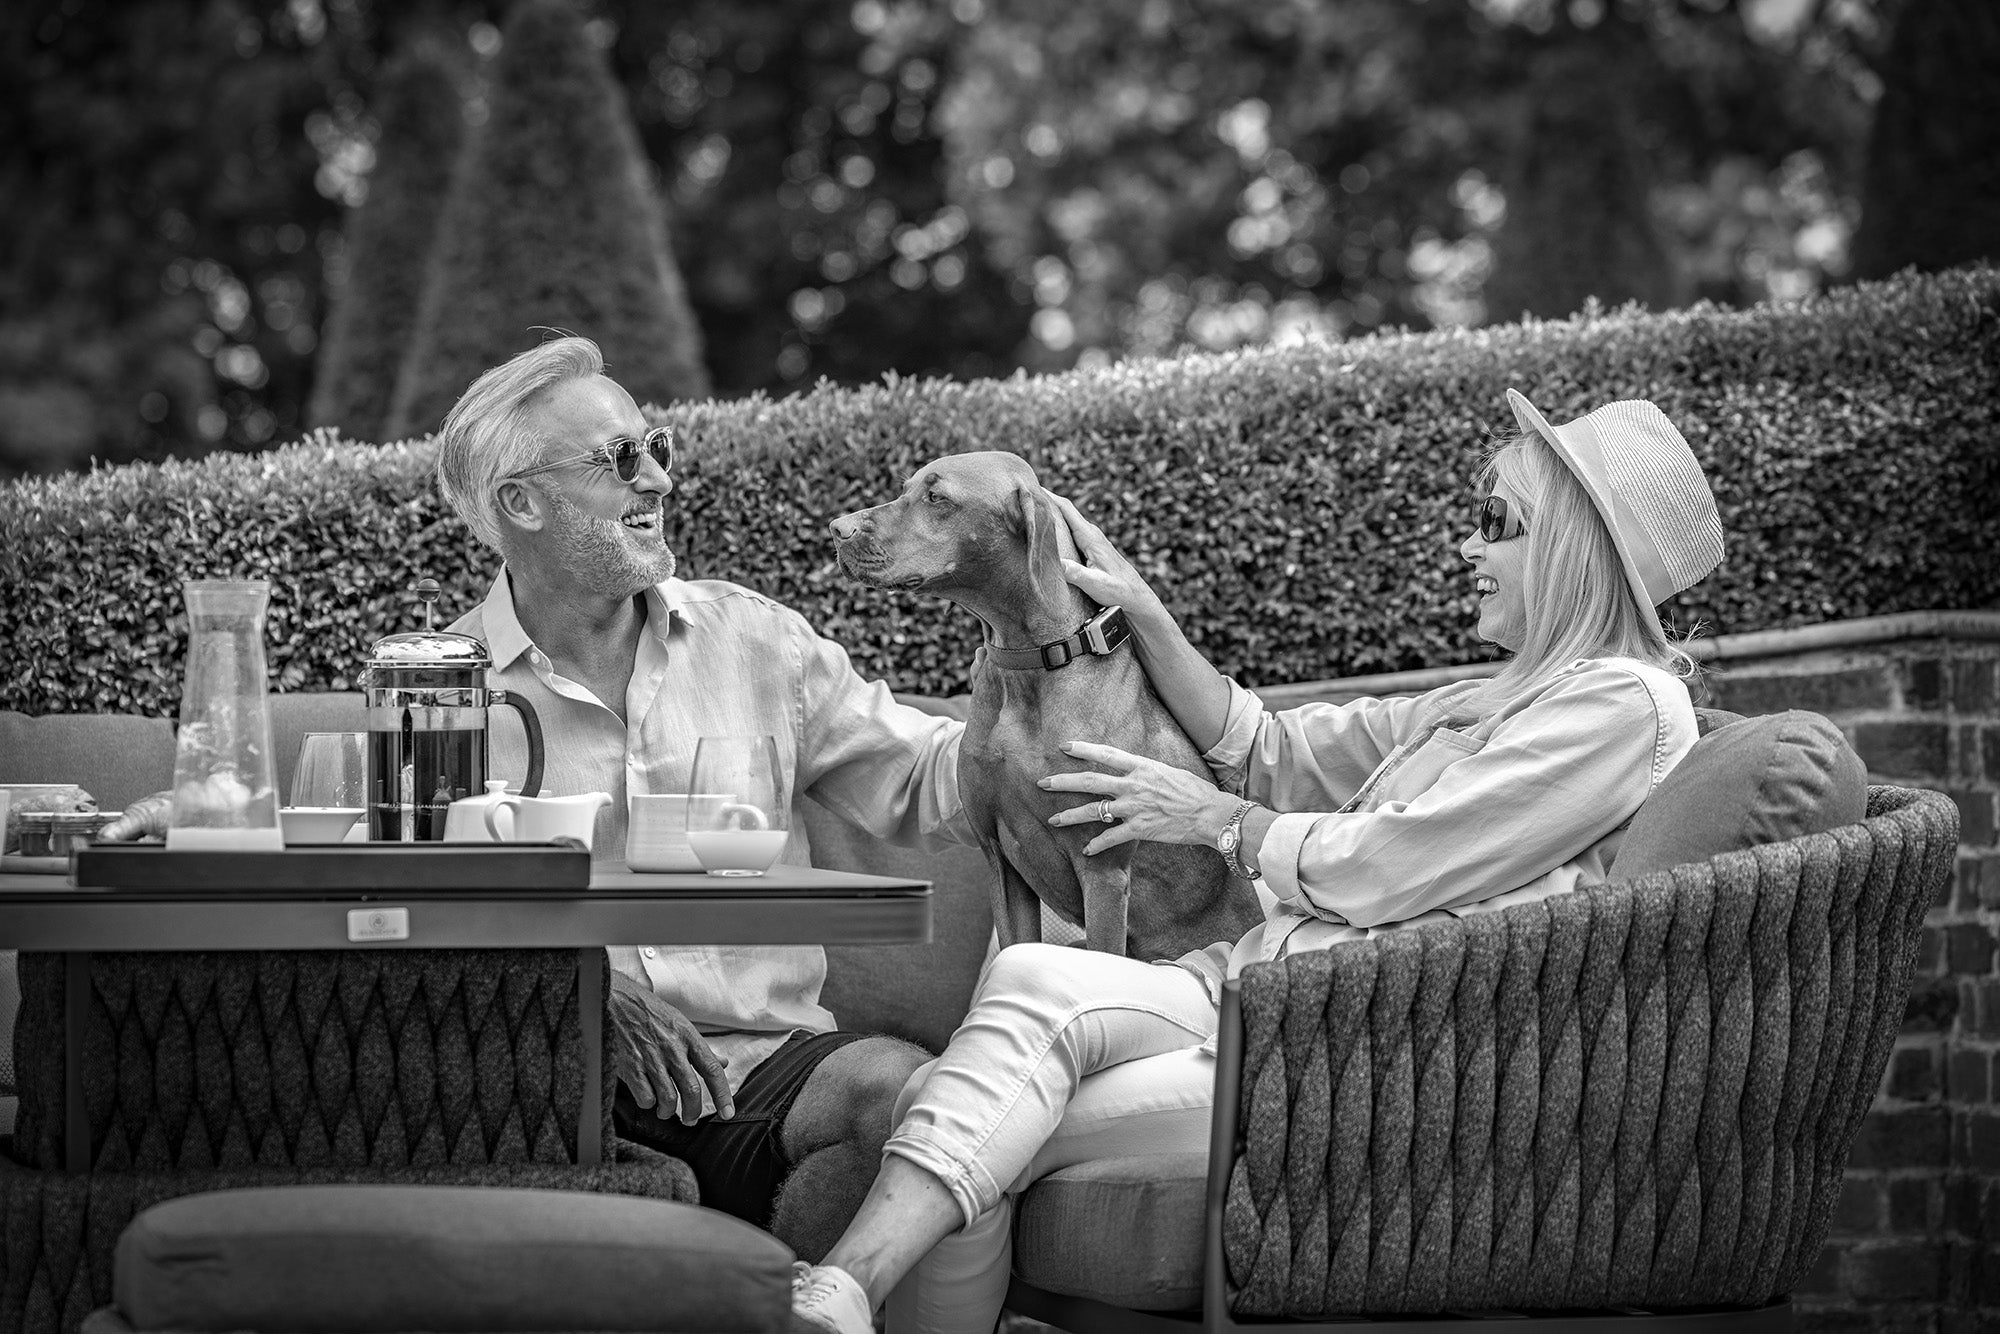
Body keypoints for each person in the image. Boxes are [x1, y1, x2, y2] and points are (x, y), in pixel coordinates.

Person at [785, 389, 1728, 1334]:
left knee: (961, 1101)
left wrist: (1222, 822)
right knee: (1029, 976)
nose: (1466, 548)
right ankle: (849, 1296)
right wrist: (1143, 612)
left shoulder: (1623, 706)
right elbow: (1270, 747)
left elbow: (1389, 866)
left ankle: (845, 1290)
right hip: (1255, 988)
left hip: (1355, 1040)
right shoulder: (1493, 699)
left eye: (1495, 523)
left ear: (1571, 550)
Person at [429, 336, 980, 1258]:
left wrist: (1037, 662)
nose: (658, 479)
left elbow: (931, 779)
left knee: (900, 1097)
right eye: (619, 459)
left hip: (761, 1064)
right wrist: (577, 986)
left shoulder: (759, 643)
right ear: (521, 502)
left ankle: (805, 1305)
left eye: (657, 448)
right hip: (545, 1075)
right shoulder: (440, 691)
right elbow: (394, 916)